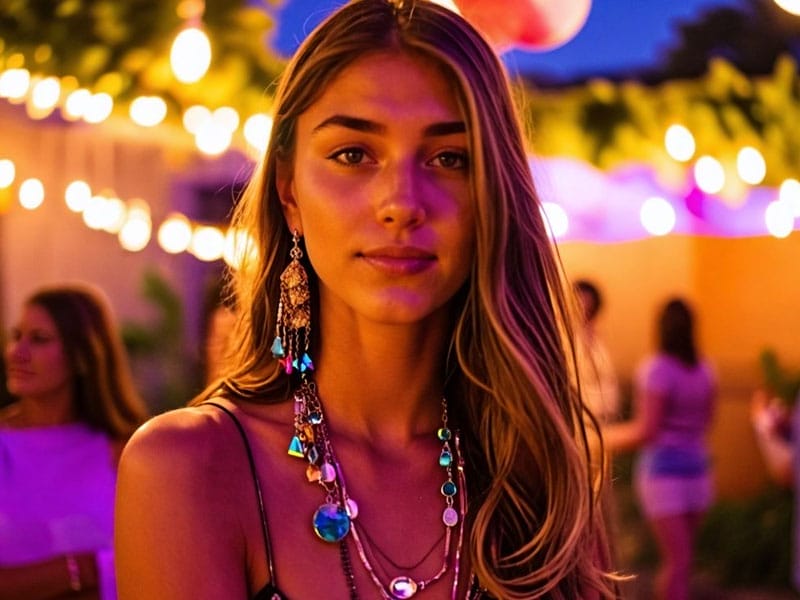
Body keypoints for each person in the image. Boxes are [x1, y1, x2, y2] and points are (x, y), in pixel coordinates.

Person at [115, 1, 618, 598]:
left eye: (449, 158)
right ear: (289, 192)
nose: (401, 202)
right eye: (353, 154)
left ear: (492, 196)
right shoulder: (191, 469)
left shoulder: (543, 473)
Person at [0, 284, 149, 599]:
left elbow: (155, 560)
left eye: (38, 339)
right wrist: (82, 569)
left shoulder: (123, 451)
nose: (17, 351)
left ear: (83, 355)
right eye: (17, 337)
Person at [604, 298, 716, 600]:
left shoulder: (656, 371)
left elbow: (646, 430)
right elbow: (707, 421)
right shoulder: (705, 370)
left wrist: (599, 438)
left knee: (677, 561)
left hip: (664, 474)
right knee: (683, 560)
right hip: (697, 470)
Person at [574, 279, 620, 424]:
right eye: (580, 305)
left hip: (606, 417)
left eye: (589, 309)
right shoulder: (567, 339)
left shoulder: (603, 340)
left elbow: (610, 378)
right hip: (581, 418)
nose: (585, 310)